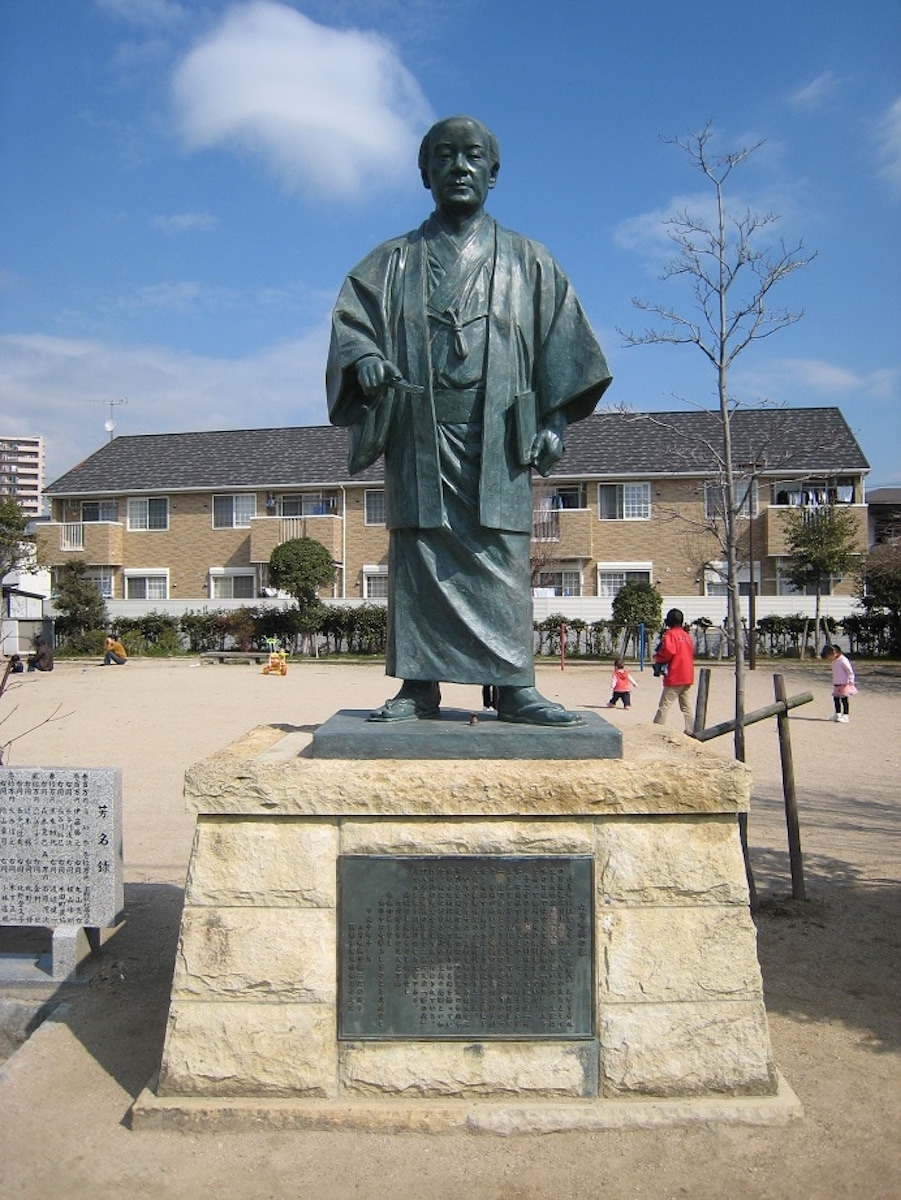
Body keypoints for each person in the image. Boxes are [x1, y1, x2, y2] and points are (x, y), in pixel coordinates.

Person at [327, 115, 612, 725]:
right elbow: (352, 326)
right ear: (425, 173)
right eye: (444, 156)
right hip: (419, 434)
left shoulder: (530, 262)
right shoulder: (391, 262)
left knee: (501, 556)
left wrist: (556, 422)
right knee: (420, 556)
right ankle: (418, 685)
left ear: (493, 172)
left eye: (472, 155)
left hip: (500, 438)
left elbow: (567, 351)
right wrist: (366, 358)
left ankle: (514, 687)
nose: (458, 167)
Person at [652, 609, 695, 734]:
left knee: (664, 704)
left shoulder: (670, 635)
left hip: (675, 674)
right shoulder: (687, 636)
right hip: (687, 674)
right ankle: (692, 729)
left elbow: (669, 651)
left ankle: (657, 729)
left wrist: (658, 658)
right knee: (686, 706)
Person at [821, 643, 856, 723]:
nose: (828, 658)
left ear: (834, 653)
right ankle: (837, 714)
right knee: (836, 699)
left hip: (844, 683)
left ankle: (846, 715)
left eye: (828, 656)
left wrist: (851, 680)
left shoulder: (843, 660)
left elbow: (849, 671)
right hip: (837, 683)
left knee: (844, 699)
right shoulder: (834, 661)